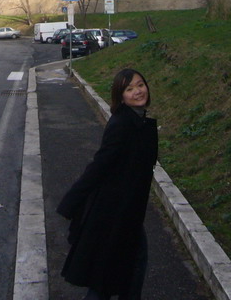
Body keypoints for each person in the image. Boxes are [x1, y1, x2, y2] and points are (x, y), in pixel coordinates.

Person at [57, 68, 159, 299]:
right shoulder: (123, 125)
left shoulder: (140, 121)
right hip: (114, 213)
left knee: (119, 272)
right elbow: (99, 166)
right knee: (111, 276)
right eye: (129, 89)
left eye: (140, 85)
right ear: (120, 96)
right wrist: (71, 202)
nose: (138, 91)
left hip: (128, 212)